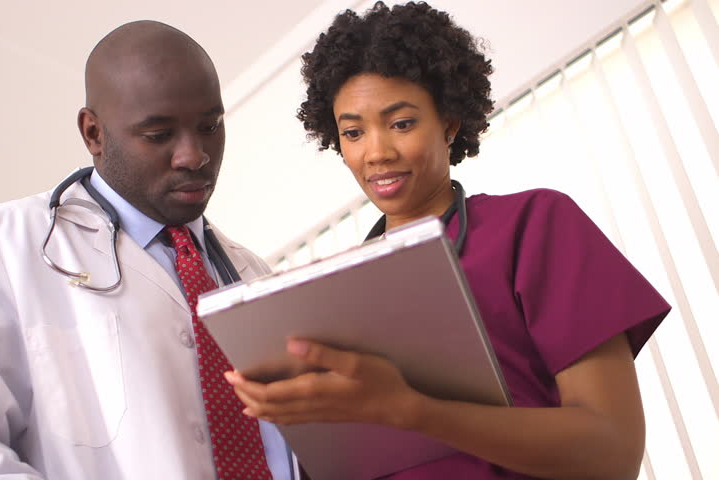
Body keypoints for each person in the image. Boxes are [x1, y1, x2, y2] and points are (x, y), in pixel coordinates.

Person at [225, 2, 670, 479]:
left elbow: (612, 451)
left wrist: (413, 411)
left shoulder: (534, 225)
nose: (377, 152)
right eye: (353, 132)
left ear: (450, 122)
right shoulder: (330, 298)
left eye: (401, 123)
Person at [0, 21, 295, 480]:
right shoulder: (1, 247)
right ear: (94, 134)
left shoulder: (255, 276)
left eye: (210, 126)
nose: (194, 155)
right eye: (160, 135)